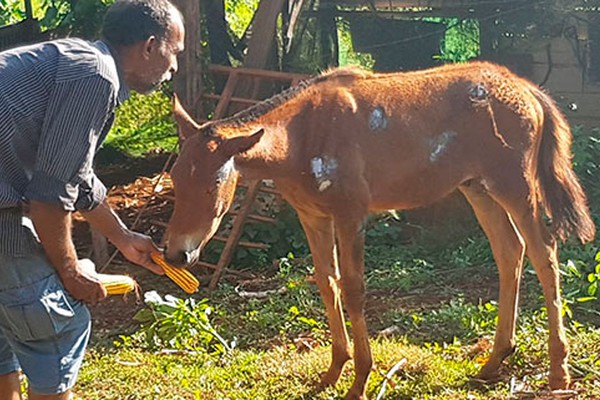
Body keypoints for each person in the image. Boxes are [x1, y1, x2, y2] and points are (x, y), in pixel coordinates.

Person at [0, 0, 185, 398]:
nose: (175, 69)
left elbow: (75, 178)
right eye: (176, 53)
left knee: (6, 336)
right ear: (150, 46)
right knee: (55, 329)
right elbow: (50, 196)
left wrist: (122, 237)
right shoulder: (95, 76)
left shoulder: (72, 62)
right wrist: (70, 271)